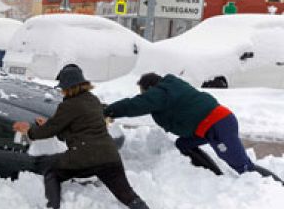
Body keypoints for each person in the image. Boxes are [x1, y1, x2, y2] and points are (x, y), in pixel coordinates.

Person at [13, 64, 157, 209]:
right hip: (109, 156)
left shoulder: (68, 105)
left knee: (52, 172)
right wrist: (48, 124)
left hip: (84, 156)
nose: (61, 91)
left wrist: (29, 130)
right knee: (126, 194)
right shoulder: (93, 100)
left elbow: (50, 130)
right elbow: (71, 128)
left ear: (68, 87)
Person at [104, 73, 283, 183]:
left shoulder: (161, 93)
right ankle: (212, 173)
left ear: (150, 88)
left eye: (144, 92)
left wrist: (108, 111)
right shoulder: (170, 88)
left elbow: (134, 105)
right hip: (210, 126)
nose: (143, 96)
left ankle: (275, 187)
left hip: (218, 125)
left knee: (243, 166)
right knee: (184, 144)